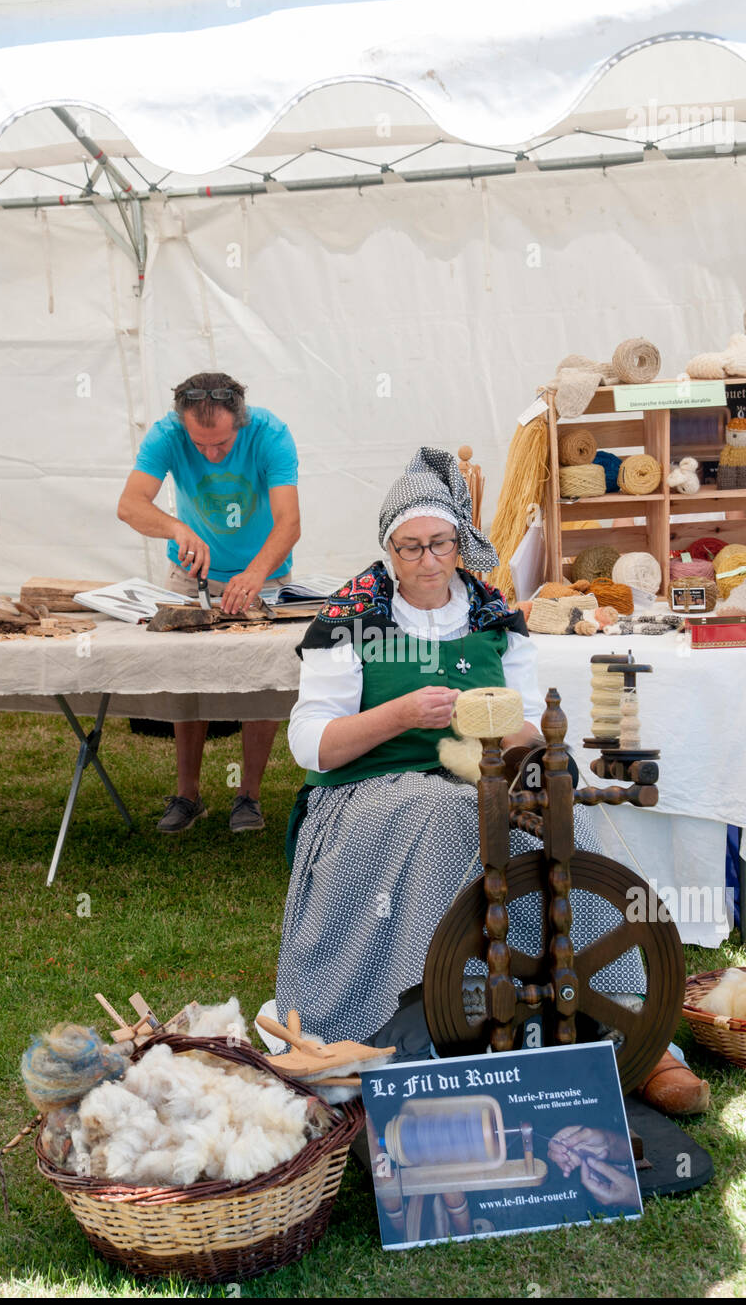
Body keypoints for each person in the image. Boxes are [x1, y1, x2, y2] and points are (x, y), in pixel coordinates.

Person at [273, 447, 709, 1115]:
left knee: (565, 809)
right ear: (389, 548)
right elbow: (312, 743)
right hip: (372, 790)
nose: (427, 561)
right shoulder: (350, 618)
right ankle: (426, 1035)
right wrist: (398, 714)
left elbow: (530, 722)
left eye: (439, 544)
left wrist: (516, 734)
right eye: (410, 547)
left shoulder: (492, 613)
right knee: (454, 817)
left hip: (484, 775)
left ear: (457, 543)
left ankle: (627, 1031)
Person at [117, 372, 300, 834]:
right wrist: (177, 529)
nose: (211, 454)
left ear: (241, 421)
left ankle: (250, 796)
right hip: (190, 574)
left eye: (220, 443)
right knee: (186, 676)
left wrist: (256, 573)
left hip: (264, 571)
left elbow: (289, 522)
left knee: (261, 678)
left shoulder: (271, 433)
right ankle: (188, 793)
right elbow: (131, 505)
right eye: (200, 444)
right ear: (182, 425)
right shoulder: (165, 433)